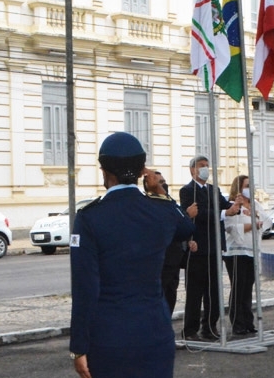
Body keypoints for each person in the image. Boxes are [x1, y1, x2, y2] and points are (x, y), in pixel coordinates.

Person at [70, 133, 195, 378]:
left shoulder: (89, 217)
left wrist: (78, 346)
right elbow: (186, 227)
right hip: (155, 334)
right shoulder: (160, 210)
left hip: (109, 339)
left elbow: (85, 287)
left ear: (104, 170)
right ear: (141, 171)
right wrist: (159, 191)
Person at [179, 155, 243, 341]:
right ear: (193, 170)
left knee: (214, 291)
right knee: (195, 292)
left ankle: (209, 327)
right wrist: (225, 212)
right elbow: (198, 214)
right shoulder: (187, 191)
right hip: (197, 248)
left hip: (214, 248)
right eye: (201, 166)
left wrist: (236, 205)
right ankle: (190, 330)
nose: (206, 169)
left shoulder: (213, 190)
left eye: (207, 165)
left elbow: (226, 207)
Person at [150, 171, 196, 317]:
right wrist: (187, 215)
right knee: (159, 299)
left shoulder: (169, 202)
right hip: (160, 262)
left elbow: (181, 225)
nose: (164, 185)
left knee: (170, 296)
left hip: (174, 260)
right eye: (159, 182)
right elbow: (166, 226)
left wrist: (188, 240)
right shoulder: (149, 205)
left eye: (164, 181)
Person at [225, 175, 263, 336]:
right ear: (239, 187)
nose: (250, 188)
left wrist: (257, 221)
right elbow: (230, 227)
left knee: (248, 288)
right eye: (247, 185)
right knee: (238, 287)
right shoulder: (232, 204)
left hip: (251, 249)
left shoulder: (255, 204)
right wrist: (250, 225)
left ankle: (248, 321)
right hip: (236, 251)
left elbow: (264, 221)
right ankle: (237, 323)